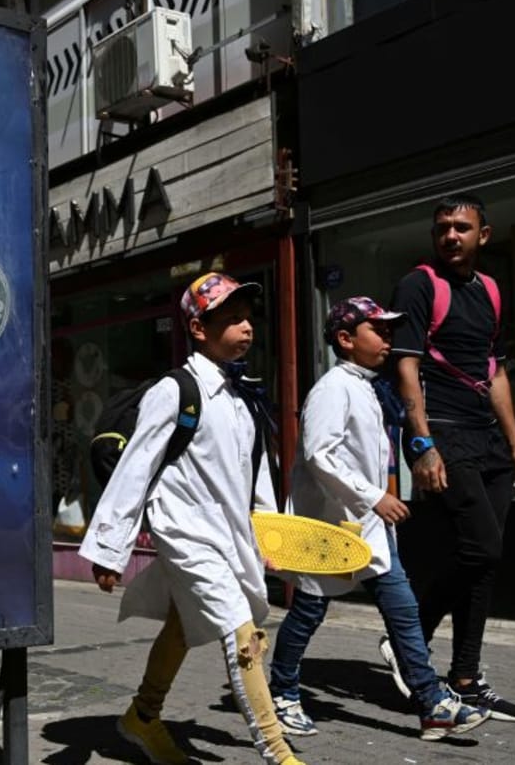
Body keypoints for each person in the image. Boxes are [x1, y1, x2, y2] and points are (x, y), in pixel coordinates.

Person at [79, 272, 303, 765]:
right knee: (241, 633)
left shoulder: (245, 397)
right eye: (231, 319)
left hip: (228, 534)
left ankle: (142, 716)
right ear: (199, 329)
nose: (246, 328)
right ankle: (277, 751)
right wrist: (107, 549)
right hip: (185, 532)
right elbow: (135, 469)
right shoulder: (175, 390)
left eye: (248, 318)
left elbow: (255, 475)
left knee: (182, 625)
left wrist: (272, 533)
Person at [267, 296, 488, 741]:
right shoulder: (332, 389)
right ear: (346, 340)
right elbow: (318, 455)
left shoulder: (367, 386)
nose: (388, 338)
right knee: (309, 611)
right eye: (378, 330)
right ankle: (282, 691)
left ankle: (432, 705)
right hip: (328, 526)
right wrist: (374, 498)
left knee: (403, 612)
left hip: (367, 527)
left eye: (389, 330)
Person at [389, 193, 515, 722]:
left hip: (488, 439)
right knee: (482, 549)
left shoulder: (491, 291)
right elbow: (406, 368)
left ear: (484, 234)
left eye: (461, 227)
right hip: (445, 434)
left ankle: (466, 678)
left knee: (485, 564)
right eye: (443, 228)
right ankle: (411, 636)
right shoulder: (419, 285)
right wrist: (422, 443)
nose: (451, 235)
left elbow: (494, 373)